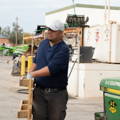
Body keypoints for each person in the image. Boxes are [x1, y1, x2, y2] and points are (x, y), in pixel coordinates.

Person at [27, 20, 69, 120]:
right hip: (39, 92)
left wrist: (32, 74)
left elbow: (50, 69)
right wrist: (29, 72)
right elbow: (36, 61)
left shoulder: (63, 49)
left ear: (61, 33)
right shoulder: (43, 44)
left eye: (53, 30)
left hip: (57, 94)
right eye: (49, 29)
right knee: (38, 117)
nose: (49, 32)